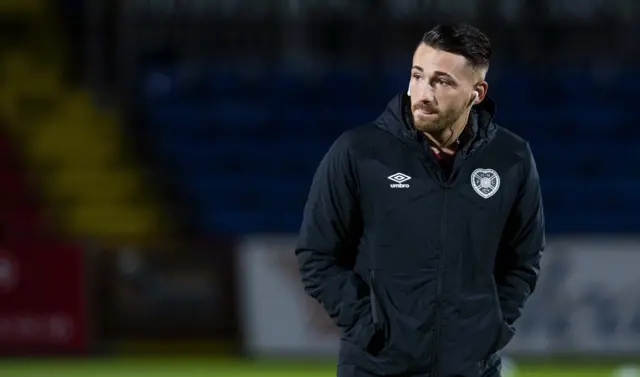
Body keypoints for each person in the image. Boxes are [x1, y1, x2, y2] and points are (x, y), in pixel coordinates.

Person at [294, 23, 545, 377]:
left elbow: (523, 259)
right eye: (417, 75)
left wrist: (491, 327)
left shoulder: (512, 158)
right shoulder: (358, 152)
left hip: (471, 367)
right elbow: (316, 254)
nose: (423, 93)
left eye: (442, 81)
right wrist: (367, 327)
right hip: (376, 366)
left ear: (477, 91)